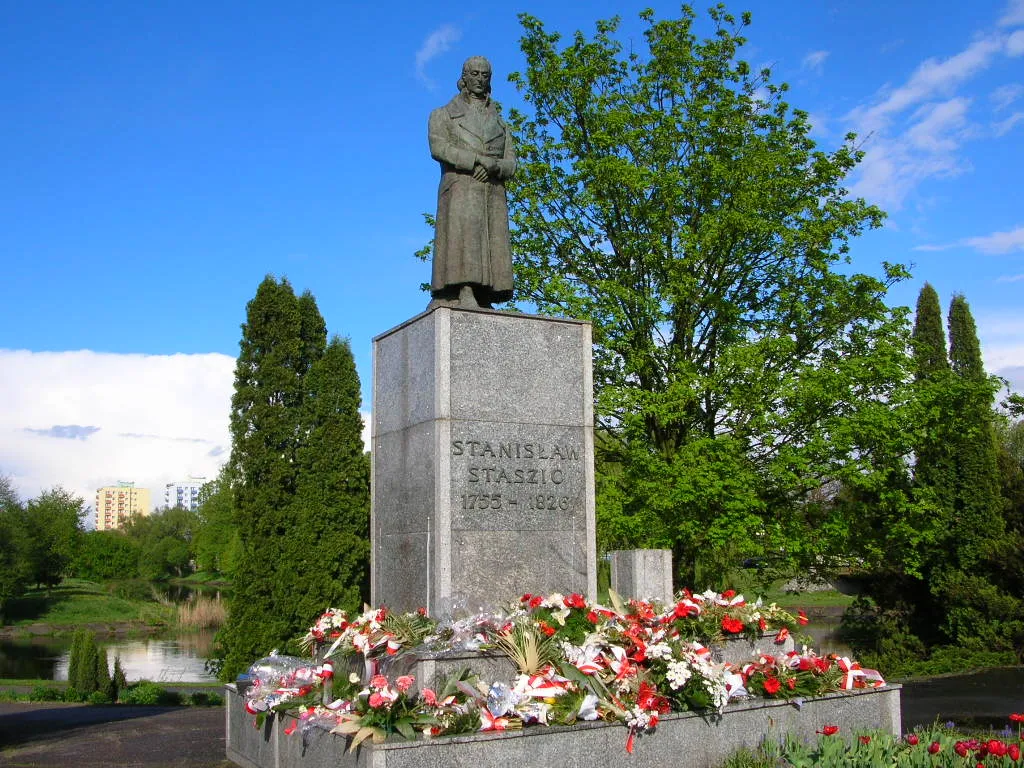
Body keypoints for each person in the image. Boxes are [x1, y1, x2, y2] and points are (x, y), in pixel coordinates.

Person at [428, 56, 516, 309]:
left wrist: (494, 167)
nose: (479, 79)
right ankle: (463, 287)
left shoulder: (501, 123)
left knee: (493, 241)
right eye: (474, 74)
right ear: (464, 77)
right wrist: (476, 161)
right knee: (462, 238)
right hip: (461, 188)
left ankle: (486, 292)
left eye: (485, 75)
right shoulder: (443, 114)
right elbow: (439, 147)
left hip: (492, 191)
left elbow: (511, 162)